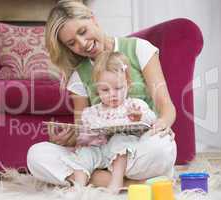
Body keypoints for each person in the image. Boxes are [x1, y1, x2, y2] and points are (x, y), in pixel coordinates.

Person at [27, 0, 176, 188]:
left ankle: (98, 179)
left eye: (82, 32)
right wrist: (68, 137)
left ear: (92, 19)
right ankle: (134, 183)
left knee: (161, 149)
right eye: (72, 43)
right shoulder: (78, 75)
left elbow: (166, 106)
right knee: (37, 154)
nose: (82, 44)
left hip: (139, 147)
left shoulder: (139, 48)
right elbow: (82, 129)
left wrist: (162, 123)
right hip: (102, 152)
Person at [65, 51, 158, 193]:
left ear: (128, 84)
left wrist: (139, 117)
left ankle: (116, 181)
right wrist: (84, 137)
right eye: (105, 90)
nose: (112, 94)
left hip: (125, 154)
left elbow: (152, 119)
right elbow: (85, 132)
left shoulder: (134, 105)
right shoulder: (94, 111)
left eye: (118, 88)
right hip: (100, 150)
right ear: (97, 89)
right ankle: (79, 186)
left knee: (119, 140)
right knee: (84, 153)